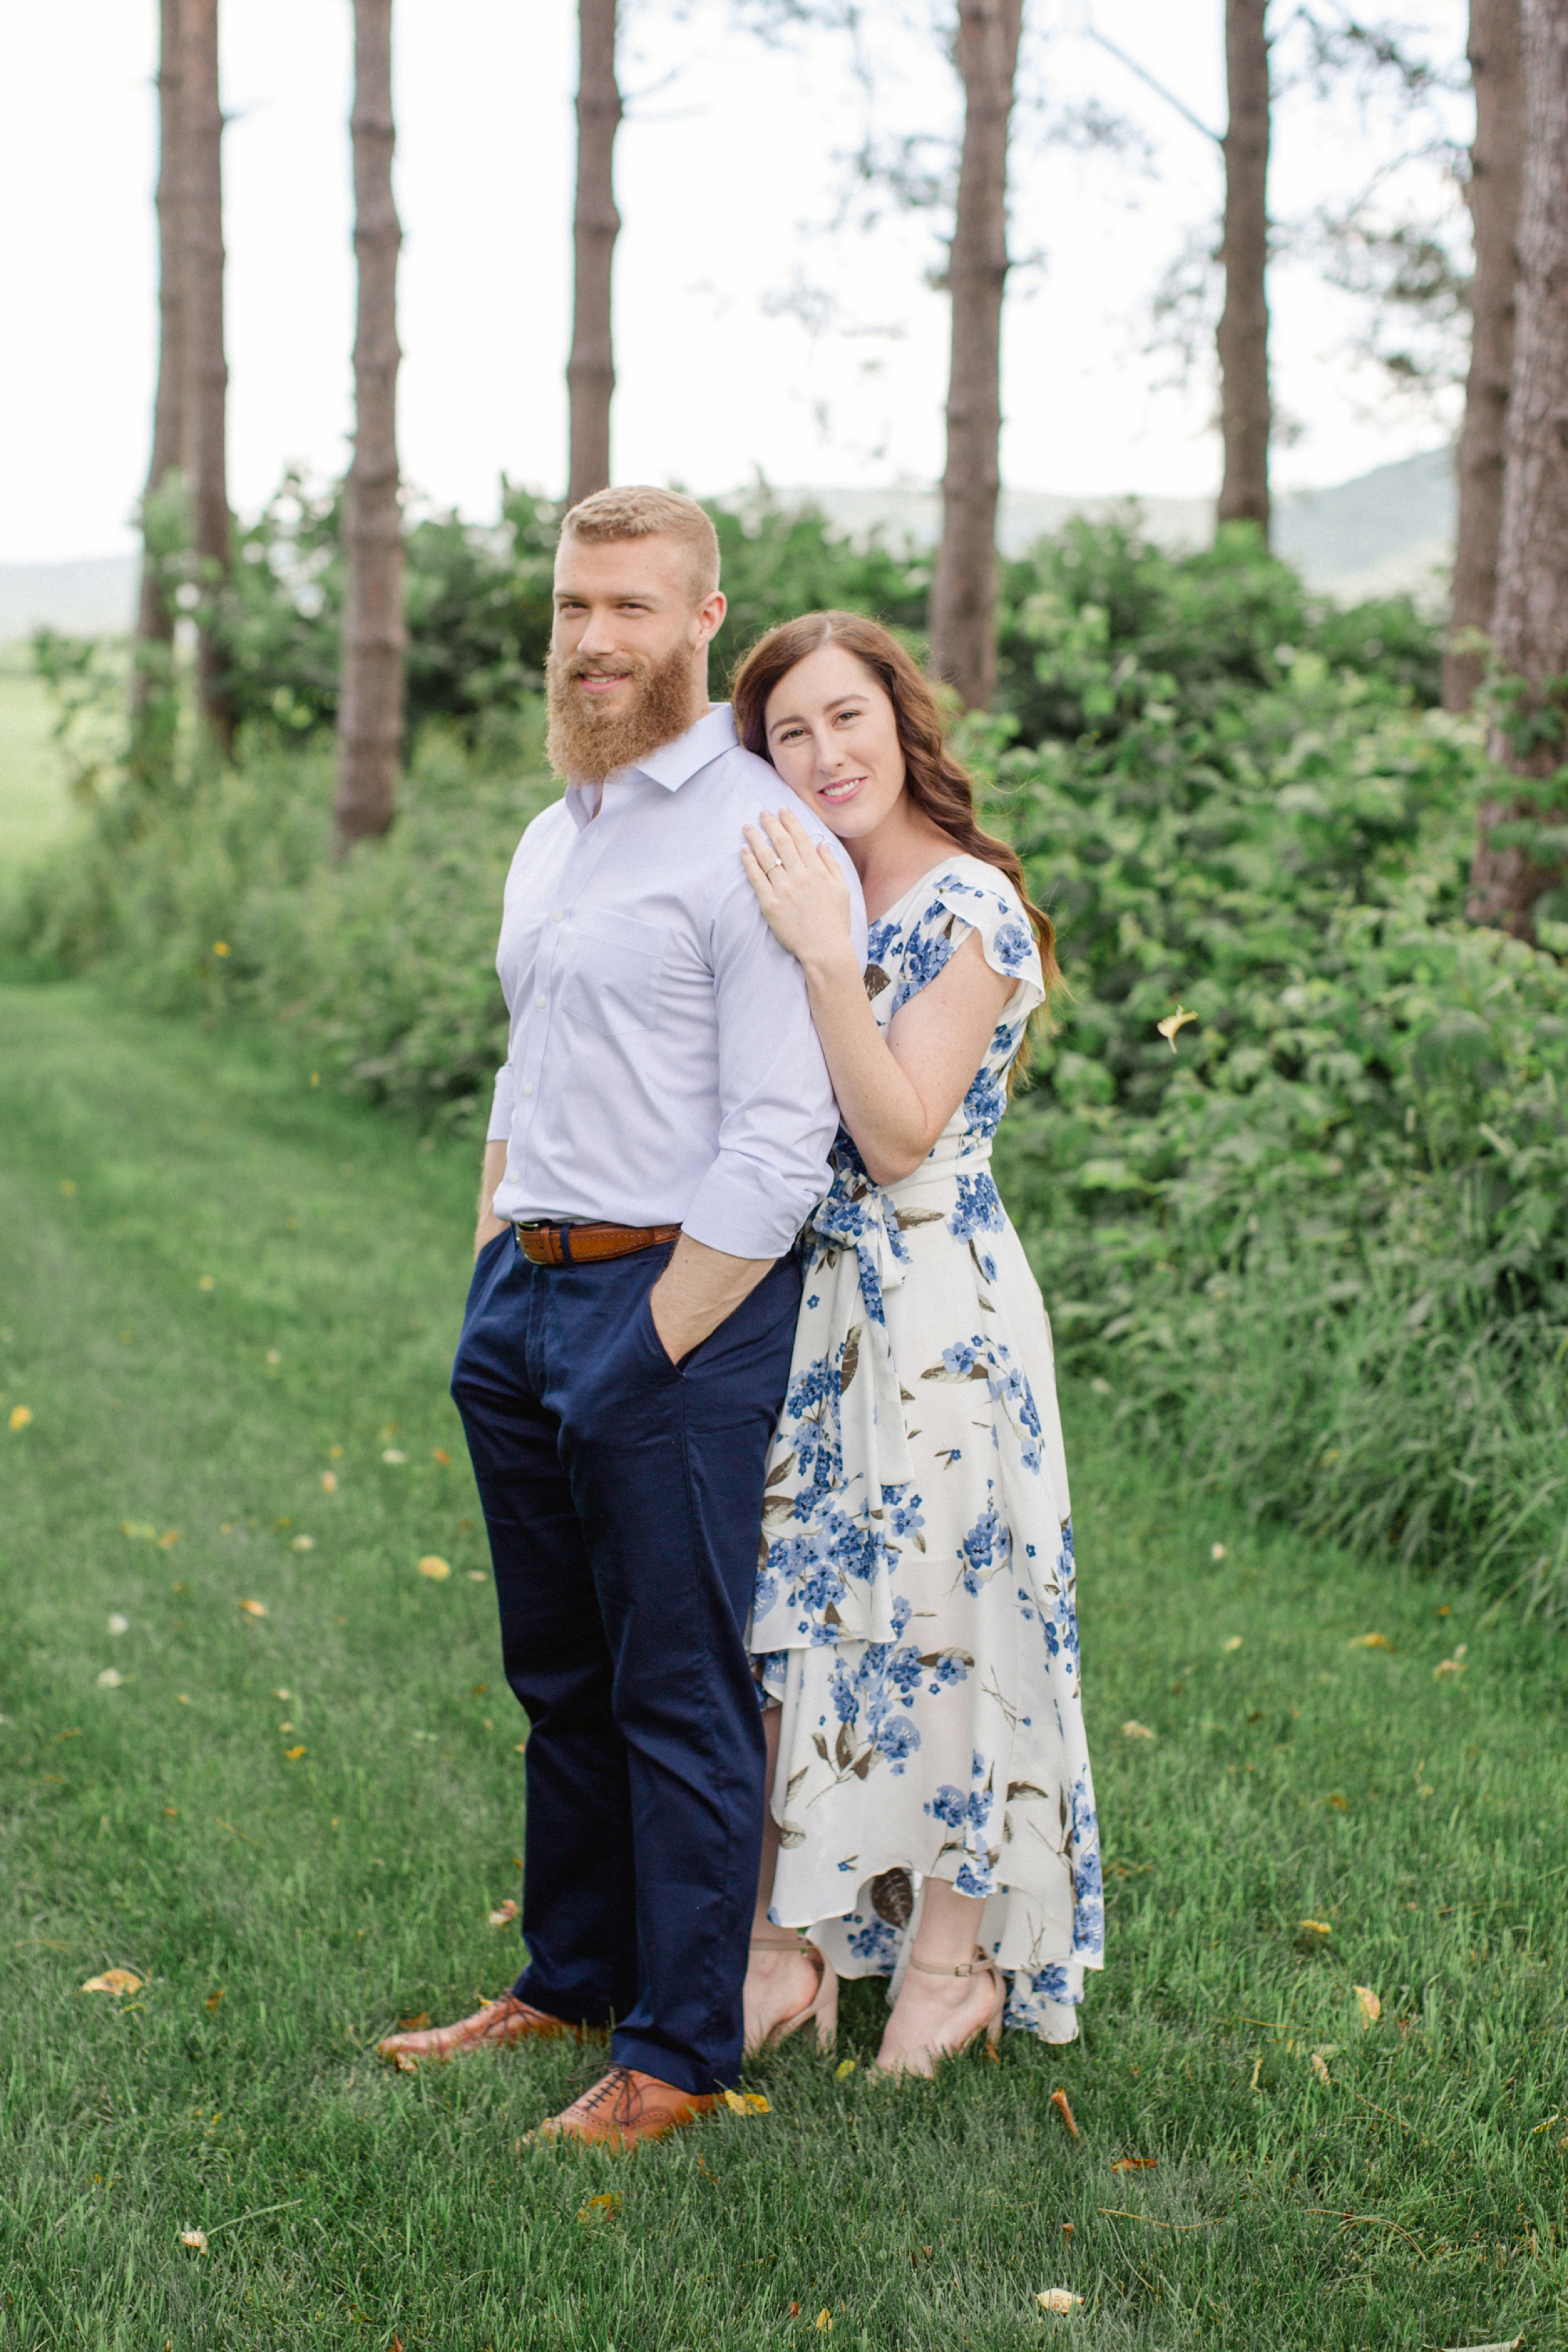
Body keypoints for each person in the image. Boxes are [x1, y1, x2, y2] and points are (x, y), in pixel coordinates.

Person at [378, 492, 865, 2148]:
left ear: (704, 617)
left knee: (672, 1684)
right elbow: (532, 1053)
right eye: (576, 603)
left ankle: (676, 2046)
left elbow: (782, 1132)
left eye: (632, 607)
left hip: (678, 1297)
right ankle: (571, 1969)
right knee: (555, 1671)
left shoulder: (756, 831)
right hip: (524, 1291)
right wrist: (489, 1258)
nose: (594, 637)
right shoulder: (557, 827)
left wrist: (653, 1333)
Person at [731, 612, 1103, 2075]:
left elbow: (896, 1141)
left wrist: (825, 962)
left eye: (845, 717)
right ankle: (788, 1944)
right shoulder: (797, 885)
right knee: (800, 1620)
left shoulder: (968, 908)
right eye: (788, 736)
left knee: (956, 1623)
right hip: (812, 1309)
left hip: (937, 1309)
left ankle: (951, 1967)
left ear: (902, 719)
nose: (824, 755)